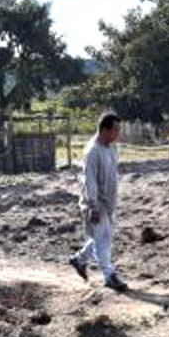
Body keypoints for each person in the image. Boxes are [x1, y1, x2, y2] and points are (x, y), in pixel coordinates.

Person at [69, 112, 129, 291]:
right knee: (103, 240)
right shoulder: (92, 151)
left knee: (102, 237)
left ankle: (79, 259)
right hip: (96, 203)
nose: (118, 134)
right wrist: (92, 206)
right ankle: (109, 275)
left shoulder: (111, 148)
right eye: (115, 130)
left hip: (109, 202)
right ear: (104, 129)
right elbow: (89, 181)